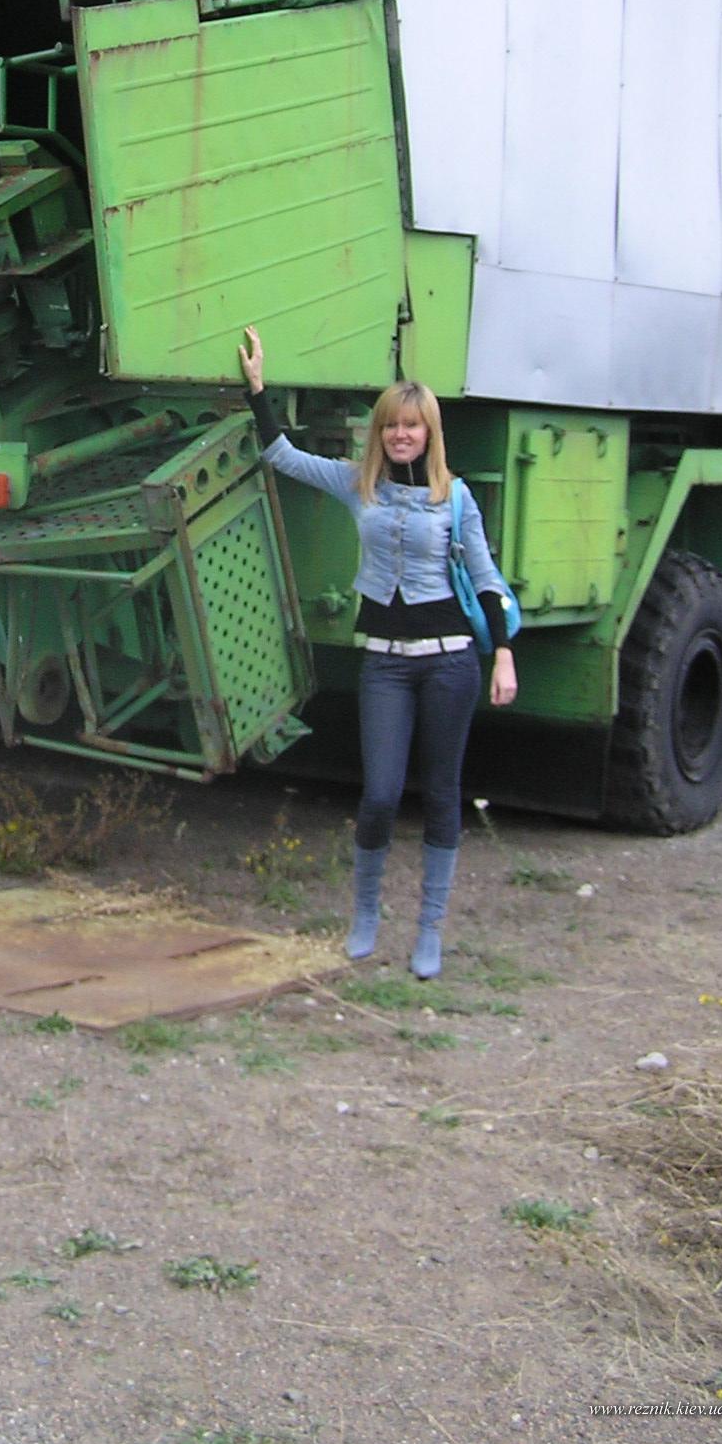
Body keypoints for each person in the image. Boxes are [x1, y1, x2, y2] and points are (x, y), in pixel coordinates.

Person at [238, 326, 517, 977]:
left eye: (412, 427)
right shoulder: (356, 483)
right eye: (392, 426)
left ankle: (430, 931)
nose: (401, 436)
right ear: (381, 432)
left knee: (442, 794)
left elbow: (488, 580)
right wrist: (258, 389)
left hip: (449, 661)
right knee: (382, 793)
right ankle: (365, 915)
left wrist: (502, 653)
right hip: (385, 662)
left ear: (429, 434)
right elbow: (281, 455)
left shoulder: (457, 497)